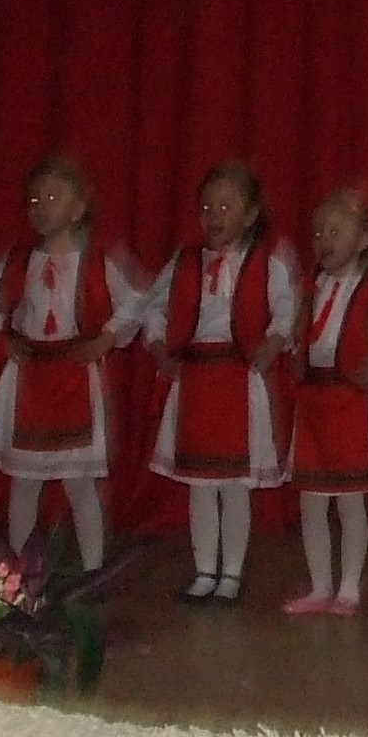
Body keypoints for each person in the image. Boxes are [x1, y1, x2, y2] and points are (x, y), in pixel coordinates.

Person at [0, 155, 140, 570]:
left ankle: (94, 570)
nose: (41, 206)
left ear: (78, 209)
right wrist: (4, 336)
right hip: (31, 381)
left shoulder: (96, 261)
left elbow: (133, 303)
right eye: (35, 199)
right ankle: (20, 571)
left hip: (75, 377)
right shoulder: (20, 260)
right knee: (24, 481)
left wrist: (106, 338)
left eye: (53, 197)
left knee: (80, 483)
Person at [142, 160, 299, 605]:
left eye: (226, 206)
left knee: (234, 485)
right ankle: (204, 570)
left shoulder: (267, 263)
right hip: (196, 381)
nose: (214, 215)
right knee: (200, 484)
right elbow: (152, 306)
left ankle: (230, 574)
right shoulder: (185, 262)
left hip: (239, 381)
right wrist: (159, 346)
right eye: (207, 206)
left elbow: (287, 310)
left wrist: (272, 342)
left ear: (250, 215)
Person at [281, 186, 368, 617]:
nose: (325, 240)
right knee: (312, 501)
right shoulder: (308, 289)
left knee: (351, 500)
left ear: (363, 240)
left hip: (353, 403)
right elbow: (298, 333)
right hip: (314, 403)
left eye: (336, 231)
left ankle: (350, 587)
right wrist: (294, 352)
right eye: (319, 232)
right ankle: (320, 585)